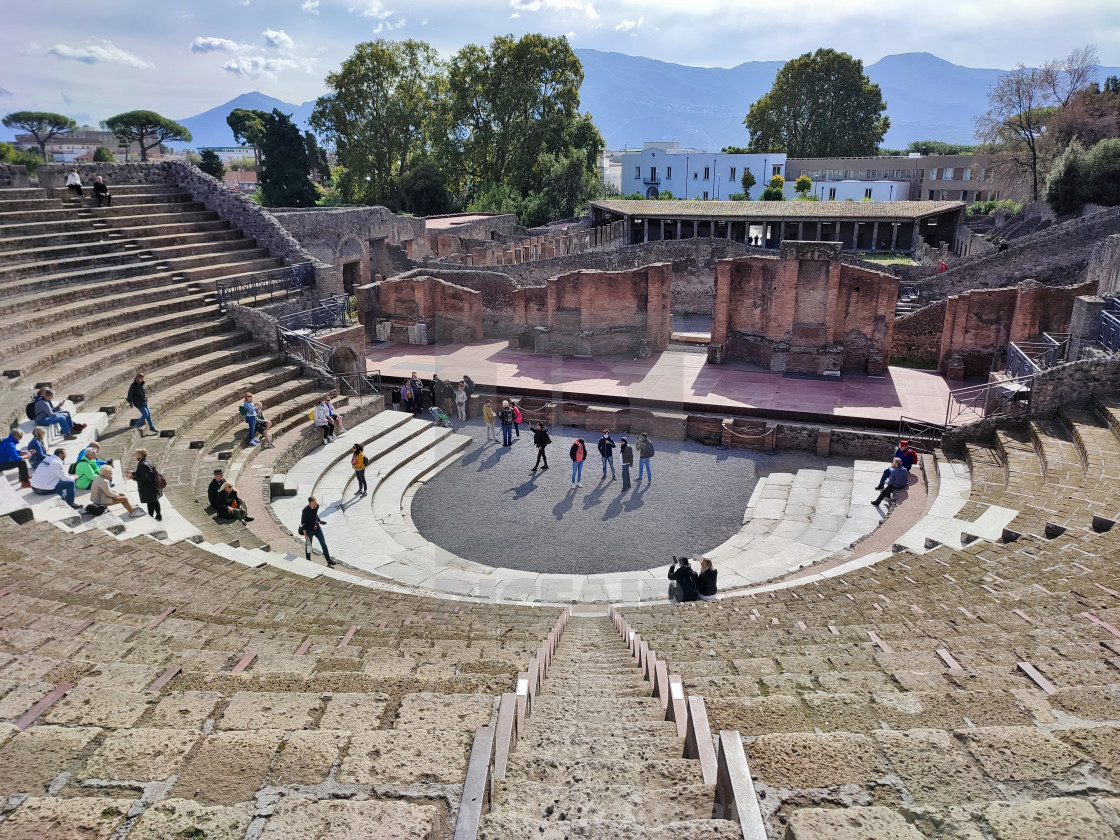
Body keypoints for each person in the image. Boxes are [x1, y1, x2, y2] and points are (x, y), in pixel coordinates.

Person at [126, 448, 161, 520]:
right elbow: (142, 474)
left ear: (140, 455)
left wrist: (132, 477)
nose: (135, 456)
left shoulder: (142, 464)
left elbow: (143, 478)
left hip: (148, 487)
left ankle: (151, 518)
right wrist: (133, 473)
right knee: (155, 501)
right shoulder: (147, 461)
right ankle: (158, 515)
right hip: (152, 486)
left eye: (136, 454)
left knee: (150, 503)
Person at [300, 495, 334, 567]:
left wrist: (320, 521)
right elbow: (303, 523)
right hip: (309, 531)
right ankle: (308, 560)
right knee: (309, 546)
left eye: (316, 501)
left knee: (323, 544)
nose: (316, 503)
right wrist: (305, 535)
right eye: (314, 502)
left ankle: (328, 560)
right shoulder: (305, 511)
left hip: (317, 529)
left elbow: (315, 515)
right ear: (310, 502)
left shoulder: (316, 506)